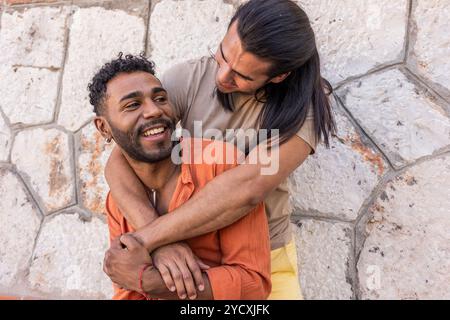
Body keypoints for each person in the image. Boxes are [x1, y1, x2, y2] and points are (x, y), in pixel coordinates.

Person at [104, 0, 335, 300]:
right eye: (223, 55)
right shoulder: (190, 78)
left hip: (262, 257)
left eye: (242, 76)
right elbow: (121, 157)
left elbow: (247, 187)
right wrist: (160, 243)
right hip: (189, 249)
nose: (222, 76)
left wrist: (147, 239)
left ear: (278, 76)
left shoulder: (303, 113)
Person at [88, 54, 271, 300]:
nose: (153, 110)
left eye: (160, 98)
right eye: (133, 105)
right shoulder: (118, 200)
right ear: (103, 127)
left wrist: (152, 282)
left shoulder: (218, 163)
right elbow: (125, 286)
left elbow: (253, 286)